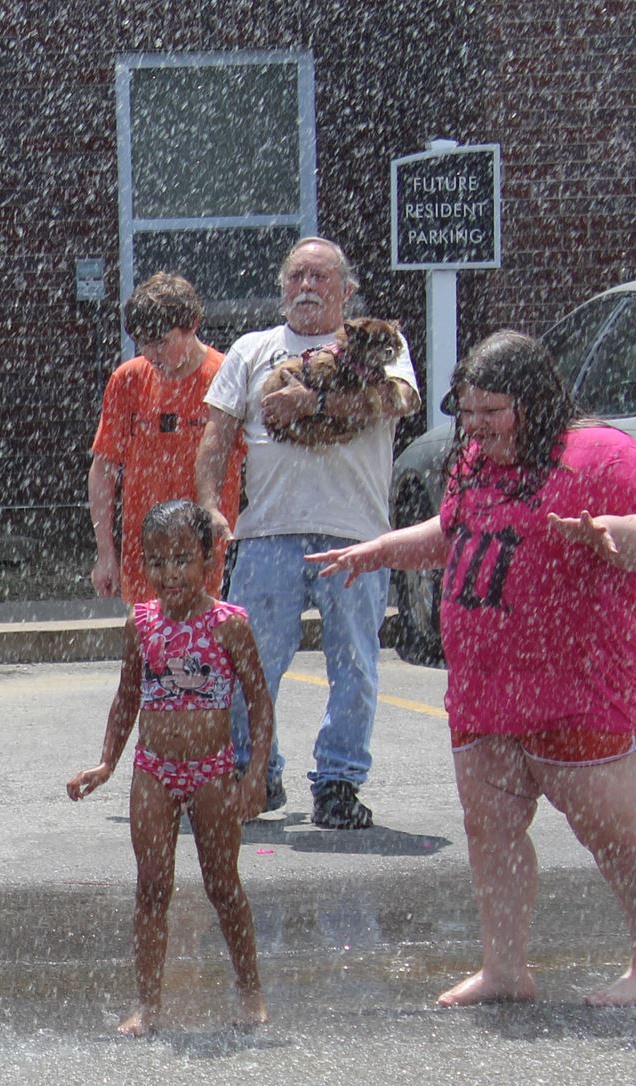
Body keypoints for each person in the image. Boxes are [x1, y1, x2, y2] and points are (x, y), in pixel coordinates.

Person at [309, 331, 636, 1008]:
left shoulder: (601, 456)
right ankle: (505, 969)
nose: (475, 426)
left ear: (534, 401)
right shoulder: (473, 461)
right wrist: (382, 551)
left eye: (492, 411)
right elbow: (456, 535)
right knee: (491, 832)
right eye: (467, 411)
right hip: (485, 688)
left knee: (614, 833)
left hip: (578, 687)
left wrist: (610, 536)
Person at [195, 238, 420, 830]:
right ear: (281, 287)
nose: (306, 287)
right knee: (249, 663)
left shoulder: (379, 346)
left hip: (356, 536)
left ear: (346, 292)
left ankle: (339, 782)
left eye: (320, 276)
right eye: (295, 276)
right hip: (268, 532)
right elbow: (216, 434)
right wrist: (207, 505)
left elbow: (397, 401)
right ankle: (252, 775)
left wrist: (314, 397)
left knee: (355, 663)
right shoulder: (252, 350)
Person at [67, 501, 274, 1036]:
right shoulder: (141, 623)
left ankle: (250, 991)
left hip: (211, 769)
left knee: (222, 884)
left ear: (209, 558)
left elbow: (259, 702)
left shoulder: (230, 626)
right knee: (152, 888)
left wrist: (254, 776)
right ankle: (149, 1005)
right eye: (156, 562)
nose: (169, 574)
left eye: (183, 559)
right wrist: (107, 761)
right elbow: (127, 697)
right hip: (154, 770)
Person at [87, 273, 241, 602]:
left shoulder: (226, 377)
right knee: (148, 646)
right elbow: (103, 469)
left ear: (193, 324)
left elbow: (258, 466)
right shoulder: (127, 380)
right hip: (147, 554)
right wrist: (105, 553)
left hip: (207, 554)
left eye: (161, 341)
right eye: (143, 342)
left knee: (207, 647)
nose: (151, 353)